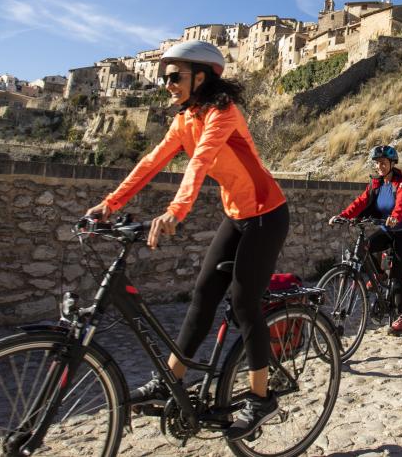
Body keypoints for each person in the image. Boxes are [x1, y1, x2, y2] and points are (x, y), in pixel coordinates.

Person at [85, 40, 288, 440]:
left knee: (244, 303)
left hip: (267, 214)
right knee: (202, 296)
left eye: (174, 76)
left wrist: (177, 211)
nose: (167, 84)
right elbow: (151, 162)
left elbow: (200, 161)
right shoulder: (185, 120)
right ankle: (171, 381)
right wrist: (109, 205)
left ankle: (261, 398)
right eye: (164, 77)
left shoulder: (222, 112)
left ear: (201, 75)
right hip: (236, 215)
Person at [329, 145, 402, 335]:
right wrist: (343, 215)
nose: (380, 166)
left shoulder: (401, 183)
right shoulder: (376, 184)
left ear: (392, 164)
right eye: (377, 163)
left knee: (396, 276)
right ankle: (378, 275)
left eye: (384, 163)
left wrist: (395, 216)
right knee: (366, 247)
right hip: (387, 230)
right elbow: (360, 202)